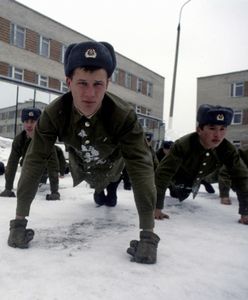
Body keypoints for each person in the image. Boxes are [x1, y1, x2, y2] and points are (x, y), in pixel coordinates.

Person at [7, 41, 159, 264]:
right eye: (82, 83)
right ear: (68, 82)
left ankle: (110, 190)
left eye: (98, 84)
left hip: (112, 166)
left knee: (110, 193)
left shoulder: (123, 116)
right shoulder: (54, 114)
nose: (90, 93)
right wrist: (18, 222)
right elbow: (34, 159)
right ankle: (100, 191)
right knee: (97, 193)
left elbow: (140, 165)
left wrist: (148, 235)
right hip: (82, 167)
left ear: (108, 83)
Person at [155, 104, 248, 225]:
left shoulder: (228, 150)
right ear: (199, 130)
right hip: (175, 179)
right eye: (212, 128)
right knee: (174, 192)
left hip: (196, 182)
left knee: (184, 194)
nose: (218, 135)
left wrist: (245, 212)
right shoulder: (183, 145)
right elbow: (163, 174)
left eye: (222, 129)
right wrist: (156, 207)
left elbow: (241, 177)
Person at [0, 108, 60, 201]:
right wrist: (8, 188)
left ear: (39, 122)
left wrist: (54, 191)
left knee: (41, 179)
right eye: (26, 121)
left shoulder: (46, 140)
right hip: (29, 167)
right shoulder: (19, 140)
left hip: (44, 168)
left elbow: (53, 165)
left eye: (32, 121)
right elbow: (12, 163)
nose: (29, 125)